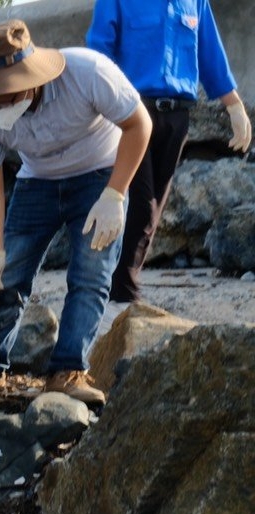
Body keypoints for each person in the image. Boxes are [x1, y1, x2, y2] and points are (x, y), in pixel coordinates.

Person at [0, 20, 150, 407]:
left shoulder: (87, 73)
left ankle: (67, 372)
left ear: (31, 76)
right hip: (36, 183)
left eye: (3, 95)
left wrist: (115, 194)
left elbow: (139, 124)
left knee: (91, 273)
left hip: (99, 175)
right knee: (8, 281)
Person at [86, 0, 250, 331]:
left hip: (177, 116)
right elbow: (98, 54)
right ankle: (119, 297)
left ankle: (118, 291)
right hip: (130, 112)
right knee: (139, 206)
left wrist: (234, 107)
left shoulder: (194, 2)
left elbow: (210, 54)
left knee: (154, 209)